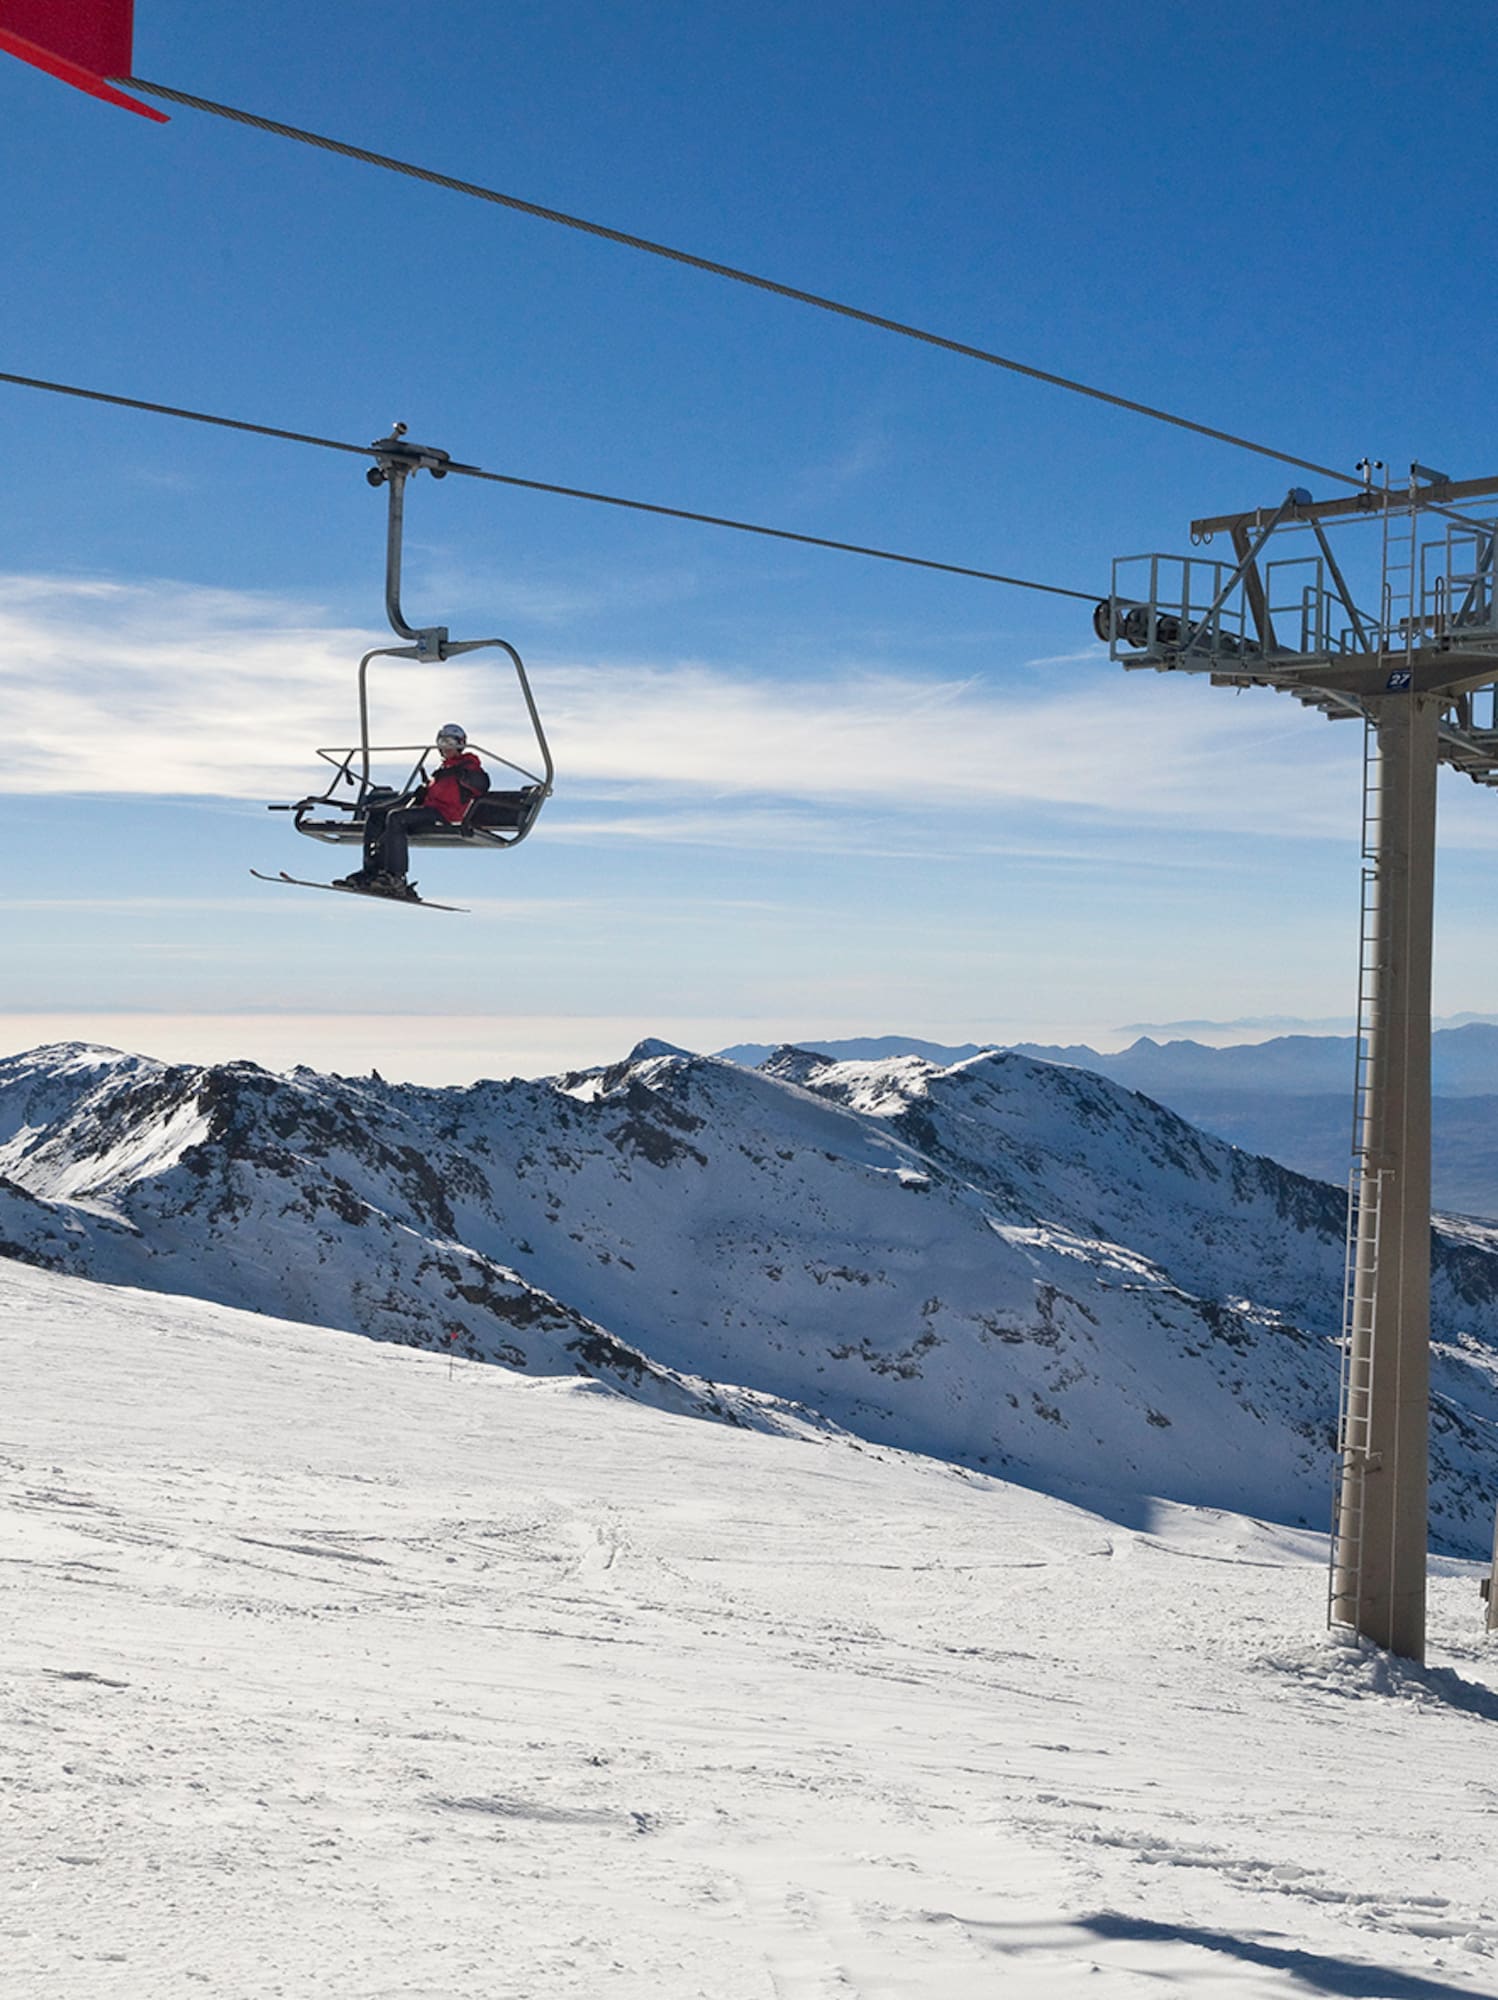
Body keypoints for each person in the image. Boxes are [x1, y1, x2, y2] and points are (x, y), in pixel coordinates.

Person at [335, 724, 490, 897]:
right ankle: (372, 872)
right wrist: (423, 792)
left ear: (460, 744)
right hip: (430, 810)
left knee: (397, 818)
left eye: (450, 742)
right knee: (377, 814)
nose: (446, 747)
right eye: (442, 742)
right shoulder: (442, 770)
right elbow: (434, 793)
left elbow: (482, 785)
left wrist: (467, 777)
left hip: (446, 815)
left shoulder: (468, 766)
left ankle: (396, 877)